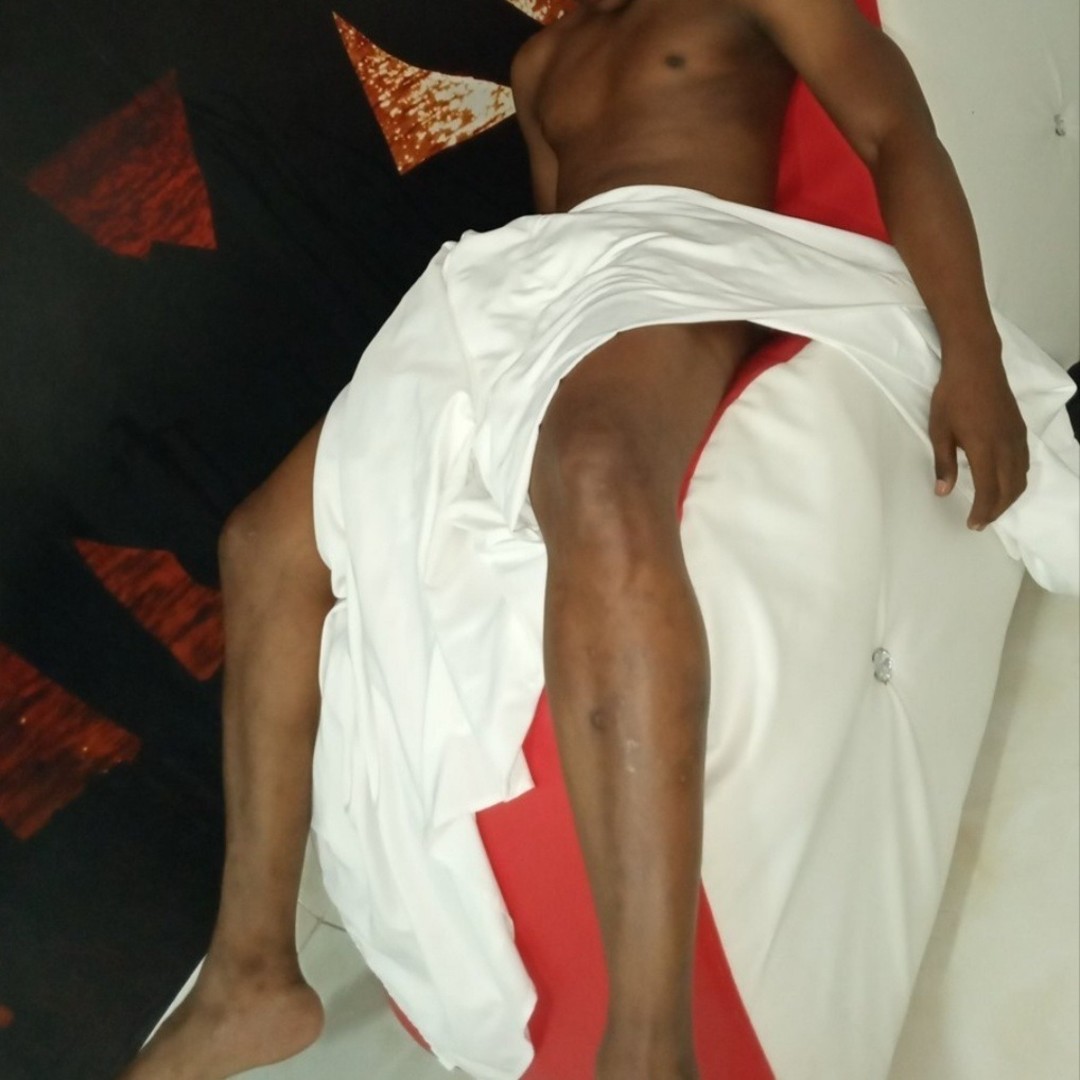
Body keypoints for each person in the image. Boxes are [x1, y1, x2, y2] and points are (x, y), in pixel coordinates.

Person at [122, 1, 1034, 1077]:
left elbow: (896, 134)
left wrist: (971, 349)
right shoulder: (542, 59)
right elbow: (560, 245)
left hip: (689, 248)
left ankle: (650, 1044)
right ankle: (250, 973)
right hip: (531, 281)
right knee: (264, 542)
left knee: (598, 465)